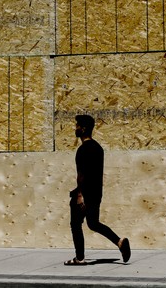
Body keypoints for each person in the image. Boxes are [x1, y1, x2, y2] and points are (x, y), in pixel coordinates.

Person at [64, 114, 131, 266]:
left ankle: (79, 258)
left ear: (84, 128)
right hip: (96, 194)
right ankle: (119, 242)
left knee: (75, 224)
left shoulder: (82, 150)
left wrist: (80, 195)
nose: (76, 128)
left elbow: (82, 174)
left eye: (78, 126)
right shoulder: (98, 148)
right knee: (93, 223)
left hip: (84, 194)